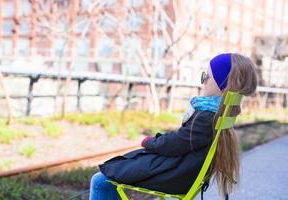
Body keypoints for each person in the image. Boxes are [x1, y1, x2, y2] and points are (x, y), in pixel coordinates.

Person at [89, 53, 258, 200]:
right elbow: (184, 140)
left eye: (206, 77)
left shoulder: (207, 116)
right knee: (113, 171)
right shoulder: (218, 113)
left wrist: (150, 141)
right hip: (182, 171)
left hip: (176, 175)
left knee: (100, 181)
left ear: (223, 85)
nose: (203, 82)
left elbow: (176, 144)